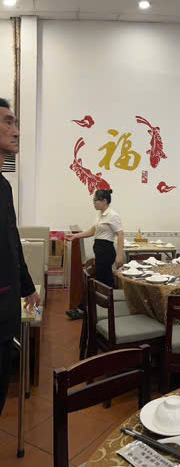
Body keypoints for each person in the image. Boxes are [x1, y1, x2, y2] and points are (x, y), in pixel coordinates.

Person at [0, 97, 37, 417]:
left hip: (7, 311)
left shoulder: (4, 187)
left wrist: (28, 287)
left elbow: (12, 242)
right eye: (8, 122)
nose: (16, 131)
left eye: (16, 123)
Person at [66, 189, 125, 318]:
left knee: (98, 282)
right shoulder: (99, 214)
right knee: (106, 281)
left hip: (106, 251)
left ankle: (83, 310)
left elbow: (120, 234)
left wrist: (119, 255)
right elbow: (93, 231)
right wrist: (76, 236)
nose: (93, 202)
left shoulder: (113, 215)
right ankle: (112, 308)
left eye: (95, 200)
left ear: (104, 201)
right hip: (99, 250)